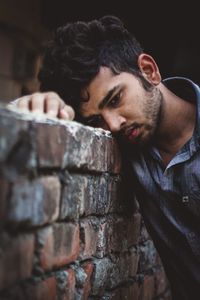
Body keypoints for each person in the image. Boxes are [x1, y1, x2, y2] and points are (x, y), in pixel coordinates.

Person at [8, 16, 200, 300]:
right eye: (97, 118)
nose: (112, 124)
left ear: (148, 71)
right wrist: (26, 110)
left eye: (115, 99)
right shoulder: (130, 147)